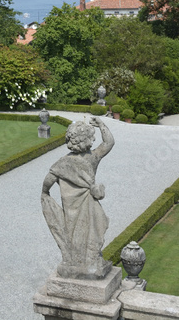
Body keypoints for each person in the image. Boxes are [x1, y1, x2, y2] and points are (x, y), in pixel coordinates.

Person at [41, 117, 115, 279]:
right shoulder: (93, 157)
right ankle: (90, 260)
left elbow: (49, 180)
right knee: (92, 230)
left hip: (71, 206)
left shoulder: (63, 163)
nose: (94, 139)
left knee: (73, 231)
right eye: (91, 137)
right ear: (84, 140)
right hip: (89, 204)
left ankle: (76, 262)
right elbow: (109, 143)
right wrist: (102, 125)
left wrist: (45, 193)